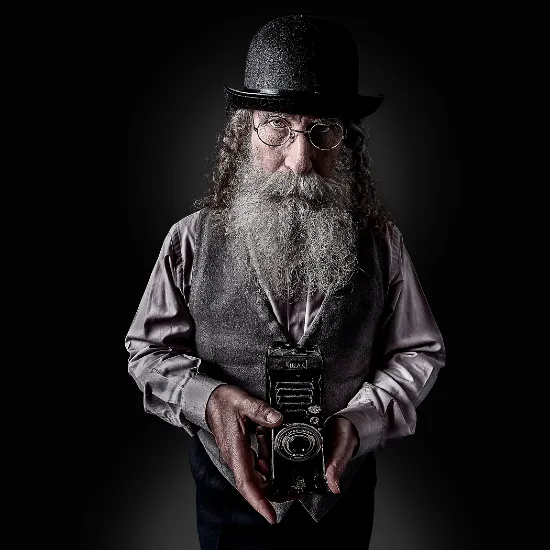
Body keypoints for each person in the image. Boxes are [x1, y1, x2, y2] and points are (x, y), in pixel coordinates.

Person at [125, 14, 445, 550]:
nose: (300, 161)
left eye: (323, 131)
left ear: (347, 143)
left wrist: (359, 423)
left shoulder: (381, 243)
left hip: (339, 497)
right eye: (277, 127)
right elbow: (147, 351)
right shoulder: (190, 241)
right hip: (228, 493)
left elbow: (419, 352)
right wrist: (209, 400)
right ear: (243, 132)